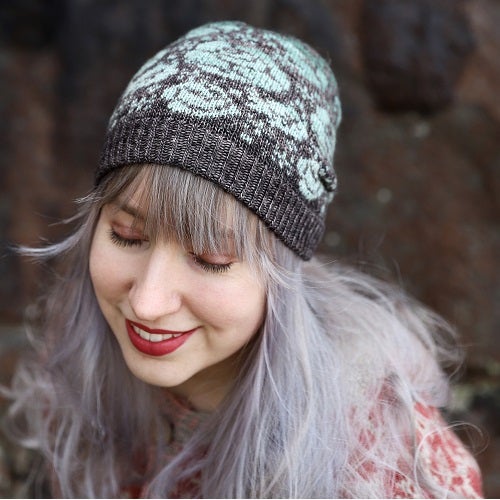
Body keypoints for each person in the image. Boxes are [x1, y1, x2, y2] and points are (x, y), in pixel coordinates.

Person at [4, 21, 482, 498]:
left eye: (210, 259)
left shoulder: (380, 466)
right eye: (127, 236)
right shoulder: (73, 369)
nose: (147, 303)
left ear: (283, 268)